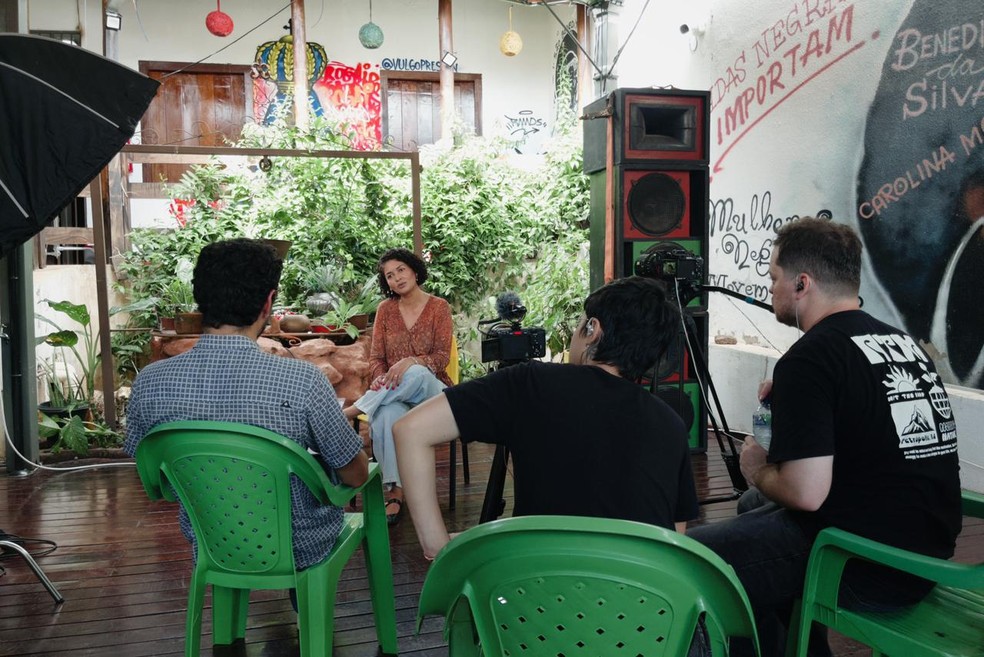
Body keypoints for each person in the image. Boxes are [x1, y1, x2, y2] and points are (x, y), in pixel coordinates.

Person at [688, 217, 962, 657]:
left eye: (774, 278)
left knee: (692, 562)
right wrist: (797, 409)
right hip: (926, 555)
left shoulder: (810, 358)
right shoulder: (904, 345)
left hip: (860, 563)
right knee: (749, 508)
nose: (769, 289)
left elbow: (806, 492)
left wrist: (756, 469)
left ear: (802, 284)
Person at [392, 275, 700, 560]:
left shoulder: (530, 384)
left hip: (538, 599)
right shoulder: (671, 423)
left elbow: (410, 429)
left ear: (593, 330)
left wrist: (437, 545)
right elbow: (674, 535)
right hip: (639, 608)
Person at [124, 238, 368, 573]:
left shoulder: (149, 382)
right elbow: (354, 474)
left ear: (201, 301)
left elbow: (154, 480)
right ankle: (306, 615)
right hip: (300, 546)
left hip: (210, 542)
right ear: (268, 303)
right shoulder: (303, 380)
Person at [343, 247, 453, 525]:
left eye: (401, 270)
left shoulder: (439, 307)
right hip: (394, 394)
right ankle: (395, 492)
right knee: (387, 414)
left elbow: (441, 358)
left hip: (432, 392)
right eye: (389, 276)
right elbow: (376, 358)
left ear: (415, 270)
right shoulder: (385, 310)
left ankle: (356, 409)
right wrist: (381, 376)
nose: (396, 278)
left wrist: (410, 362)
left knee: (414, 373)